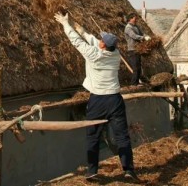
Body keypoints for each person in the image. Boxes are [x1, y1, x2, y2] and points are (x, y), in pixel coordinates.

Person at [54, 12, 140, 182]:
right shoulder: (115, 54)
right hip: (115, 100)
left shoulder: (94, 55)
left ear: (103, 46)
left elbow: (76, 41)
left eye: (102, 40)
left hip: (98, 101)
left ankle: (92, 171)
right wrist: (78, 25)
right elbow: (91, 39)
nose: (99, 40)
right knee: (122, 136)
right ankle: (129, 170)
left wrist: (65, 24)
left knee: (93, 136)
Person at [124, 13, 150, 86]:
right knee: (135, 67)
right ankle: (133, 83)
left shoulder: (136, 27)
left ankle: (137, 82)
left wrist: (146, 36)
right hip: (132, 49)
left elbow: (142, 34)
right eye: (135, 18)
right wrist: (143, 38)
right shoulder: (128, 28)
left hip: (138, 49)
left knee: (138, 66)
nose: (136, 20)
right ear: (130, 19)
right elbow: (134, 36)